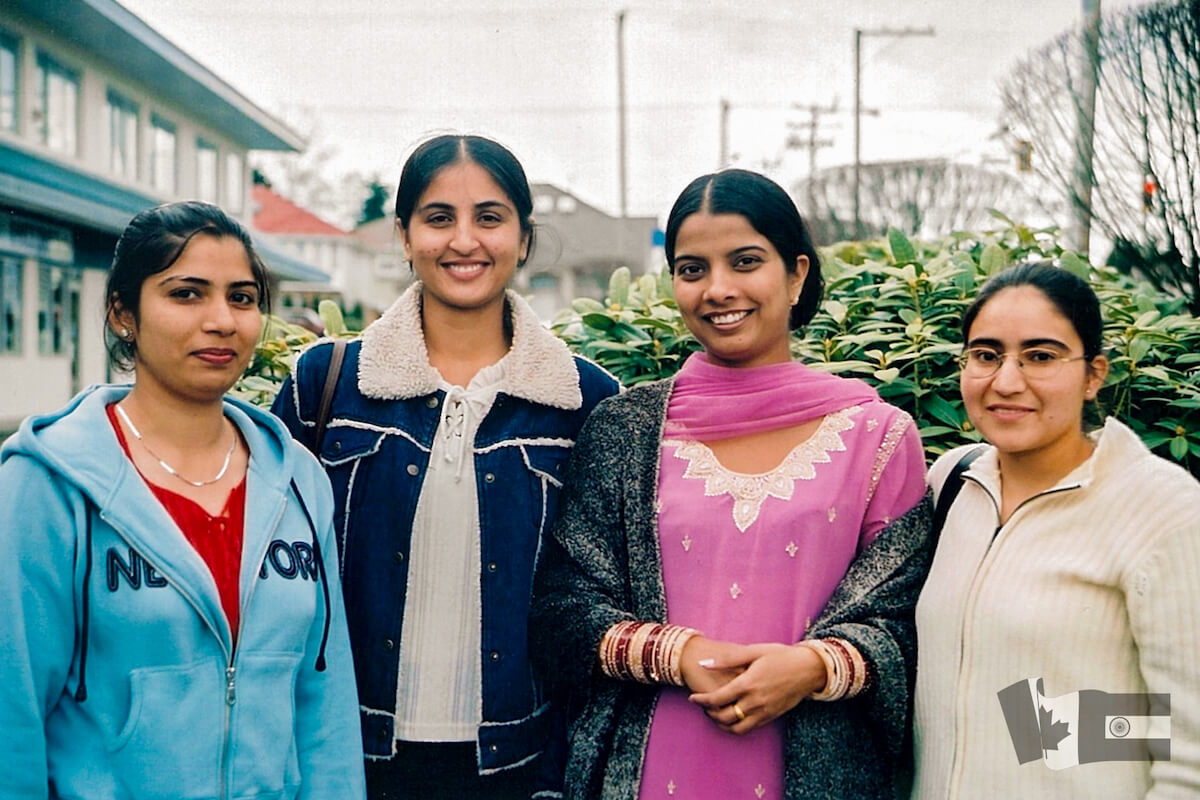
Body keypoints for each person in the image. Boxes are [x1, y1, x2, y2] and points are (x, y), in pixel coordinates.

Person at [531, 169, 932, 799]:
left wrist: (810, 668)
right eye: (692, 269)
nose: (718, 289)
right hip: (650, 769)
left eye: (745, 261)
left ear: (797, 273)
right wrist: (677, 653)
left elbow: (906, 624)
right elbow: (563, 609)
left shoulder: (878, 438)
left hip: (814, 770)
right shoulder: (625, 430)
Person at [271, 134, 620, 799]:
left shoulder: (585, 401)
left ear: (523, 238)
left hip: (523, 766)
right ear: (404, 236)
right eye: (439, 218)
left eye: (489, 218)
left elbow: (599, 604)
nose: (464, 240)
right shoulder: (327, 385)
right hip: (350, 760)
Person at [0, 201, 365, 799]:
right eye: (187, 294)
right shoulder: (47, 485)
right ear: (124, 314)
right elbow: (10, 713)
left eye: (242, 298)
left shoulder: (298, 480)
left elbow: (322, 705)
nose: (222, 320)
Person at [911, 262, 1200, 798]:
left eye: (1040, 356)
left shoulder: (1161, 508)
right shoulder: (951, 482)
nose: (1006, 381)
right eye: (985, 355)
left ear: (1094, 375)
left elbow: (1190, 749)